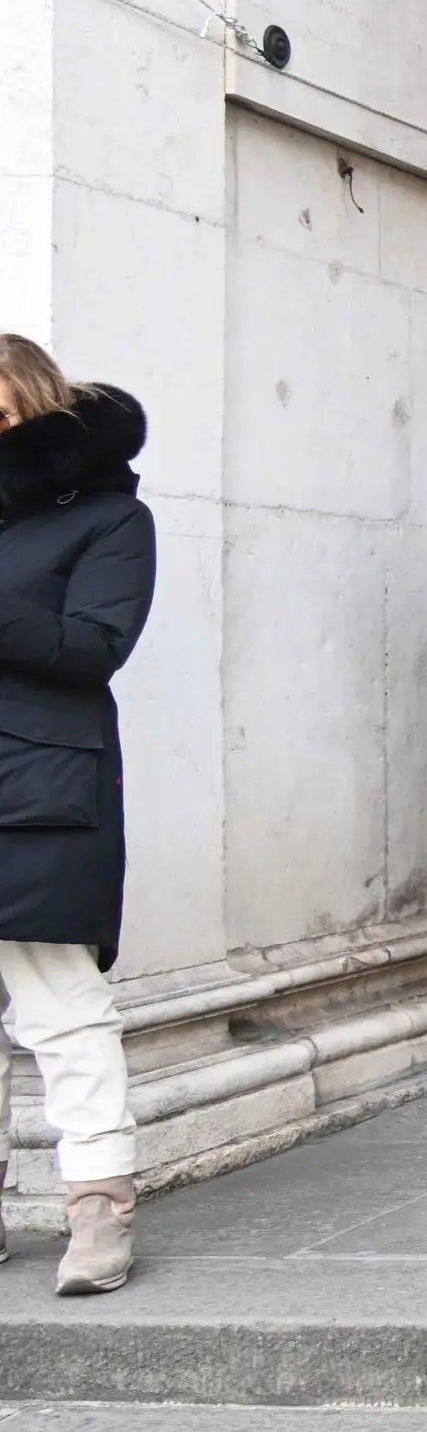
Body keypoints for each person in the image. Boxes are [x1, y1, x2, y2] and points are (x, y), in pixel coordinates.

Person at [0, 341, 153, 1297]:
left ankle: (98, 1208)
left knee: (61, 1010)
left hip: (40, 788)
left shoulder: (108, 518)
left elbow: (95, 647)